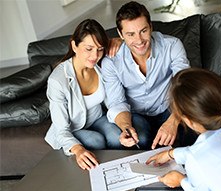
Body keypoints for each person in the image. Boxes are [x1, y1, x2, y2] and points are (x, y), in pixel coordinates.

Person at [101, 1, 190, 150]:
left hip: (169, 106)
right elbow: (116, 102)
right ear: (120, 34)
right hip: (136, 114)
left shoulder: (172, 46)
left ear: (151, 27)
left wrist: (173, 121)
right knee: (138, 140)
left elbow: (186, 87)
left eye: (143, 31)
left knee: (193, 128)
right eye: (130, 34)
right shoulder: (111, 62)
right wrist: (126, 127)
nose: (139, 40)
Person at [45, 19, 122, 171]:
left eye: (100, 49)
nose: (95, 55)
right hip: (70, 129)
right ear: (74, 45)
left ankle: (120, 172)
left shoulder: (100, 62)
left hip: (96, 119)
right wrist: (78, 149)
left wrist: (119, 41)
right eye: (88, 49)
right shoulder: (57, 81)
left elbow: (128, 41)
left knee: (116, 136)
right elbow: (61, 130)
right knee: (96, 140)